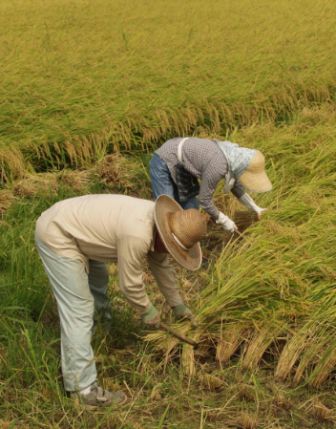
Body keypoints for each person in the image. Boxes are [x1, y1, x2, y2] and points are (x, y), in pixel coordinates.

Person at [35, 194, 208, 408]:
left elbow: (161, 267)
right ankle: (83, 390)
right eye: (174, 249)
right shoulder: (137, 234)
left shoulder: (163, 223)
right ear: (166, 237)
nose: (173, 253)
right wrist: (147, 311)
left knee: (98, 283)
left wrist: (178, 305)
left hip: (79, 228)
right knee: (79, 309)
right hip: (59, 233)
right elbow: (130, 285)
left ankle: (99, 334)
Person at [150, 137, 272, 232]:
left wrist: (255, 208)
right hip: (164, 159)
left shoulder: (233, 158)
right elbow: (204, 200)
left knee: (191, 209)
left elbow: (236, 187)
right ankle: (159, 243)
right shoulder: (217, 166)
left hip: (184, 167)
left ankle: (183, 240)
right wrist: (223, 220)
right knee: (166, 209)